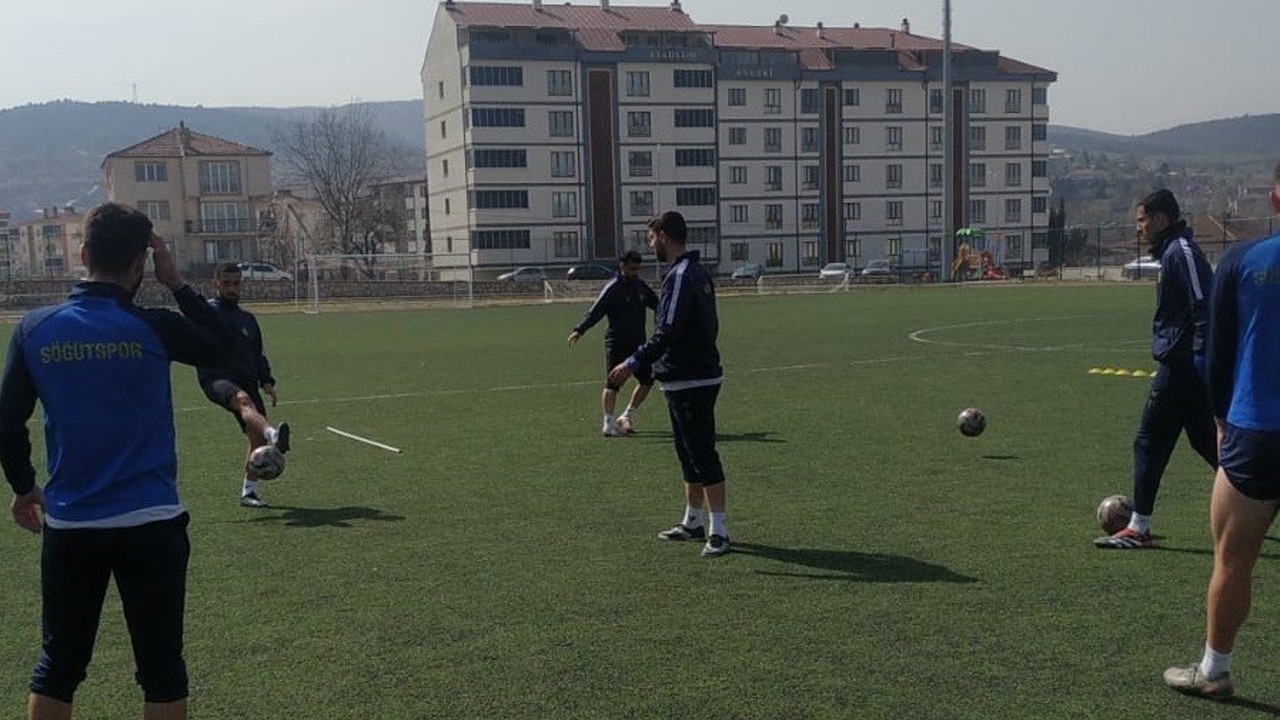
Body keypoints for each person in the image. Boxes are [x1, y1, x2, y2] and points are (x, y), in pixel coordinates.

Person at [0, 203, 229, 720]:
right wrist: (178, 284)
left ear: (82, 255)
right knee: (162, 669)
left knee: (58, 665)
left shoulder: (36, 329)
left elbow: (6, 423)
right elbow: (227, 344)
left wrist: (22, 485)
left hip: (72, 524)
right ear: (141, 264)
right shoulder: (154, 326)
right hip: (151, 524)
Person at [1164, 162, 1280, 699]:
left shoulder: (1242, 261)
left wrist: (1218, 421)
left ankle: (1214, 669)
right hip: (1253, 429)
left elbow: (1214, 355)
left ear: (1275, 200)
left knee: (1232, 562)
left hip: (1254, 433)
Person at [1095, 189, 1217, 549]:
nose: (1139, 229)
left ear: (1162, 219)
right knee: (1207, 442)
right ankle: (1260, 498)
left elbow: (1204, 306)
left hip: (1181, 366)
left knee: (1148, 442)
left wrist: (1199, 361)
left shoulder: (1181, 253)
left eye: (1142, 220)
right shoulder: (1173, 253)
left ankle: (1139, 528)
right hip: (1184, 363)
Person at [608, 211, 729, 558]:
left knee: (702, 453)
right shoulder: (695, 273)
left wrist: (632, 363)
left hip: (693, 377)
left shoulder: (681, 276)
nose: (649, 245)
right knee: (686, 452)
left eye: (650, 238)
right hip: (684, 376)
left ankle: (718, 531)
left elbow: (667, 329)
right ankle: (692, 521)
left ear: (662, 235)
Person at [197, 263, 290, 508]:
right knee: (242, 400)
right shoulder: (207, 312)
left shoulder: (247, 319)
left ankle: (248, 492)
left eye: (236, 283)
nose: (231, 288)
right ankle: (275, 434)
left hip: (248, 379)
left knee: (256, 440)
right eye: (226, 283)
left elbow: (258, 354)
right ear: (216, 283)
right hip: (216, 378)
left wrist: (267, 381)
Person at [568, 250, 659, 437]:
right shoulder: (612, 288)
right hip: (616, 343)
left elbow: (658, 305)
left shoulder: (641, 286)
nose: (635, 272)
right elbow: (596, 311)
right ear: (622, 266)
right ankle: (608, 424)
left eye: (638, 269)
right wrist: (580, 329)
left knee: (648, 380)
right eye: (632, 268)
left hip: (639, 345)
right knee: (613, 383)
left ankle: (627, 415)